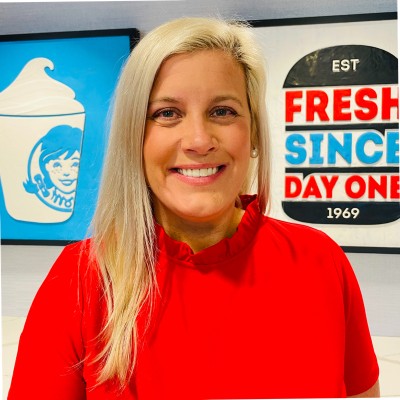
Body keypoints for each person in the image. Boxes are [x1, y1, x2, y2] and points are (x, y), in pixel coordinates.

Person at [8, 17, 380, 399]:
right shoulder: (80, 281)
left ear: (253, 132)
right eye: (167, 113)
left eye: (223, 111)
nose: (199, 141)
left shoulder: (321, 262)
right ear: (134, 138)